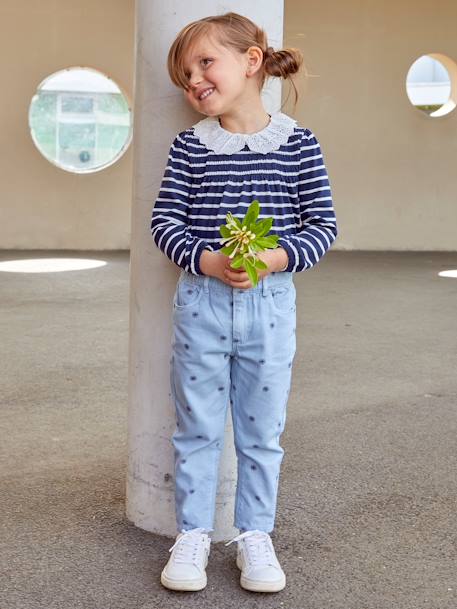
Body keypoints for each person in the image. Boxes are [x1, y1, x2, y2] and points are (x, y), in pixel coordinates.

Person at [150, 11, 338, 594]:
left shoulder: (298, 143)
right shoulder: (191, 147)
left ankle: (256, 536)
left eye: (205, 63)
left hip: (270, 307)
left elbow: (322, 227)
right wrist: (207, 261)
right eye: (185, 75)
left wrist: (274, 259)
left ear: (251, 61)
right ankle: (194, 535)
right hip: (202, 305)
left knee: (261, 435)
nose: (194, 81)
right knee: (197, 428)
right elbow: (165, 223)